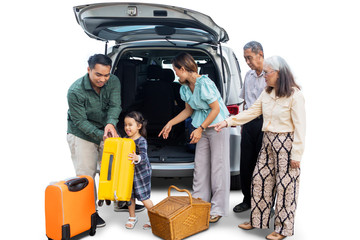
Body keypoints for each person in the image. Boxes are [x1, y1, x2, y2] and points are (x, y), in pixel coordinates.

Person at [211, 56, 305, 240]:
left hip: (286, 144)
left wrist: (297, 155)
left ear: (278, 73)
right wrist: (227, 122)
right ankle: (257, 220)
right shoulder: (267, 93)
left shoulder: (295, 95)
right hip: (268, 141)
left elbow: (301, 127)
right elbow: (252, 112)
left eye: (267, 73)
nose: (264, 77)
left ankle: (282, 229)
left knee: (286, 188)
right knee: (259, 180)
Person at [159, 52, 230, 223]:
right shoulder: (184, 87)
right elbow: (188, 111)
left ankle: (217, 209)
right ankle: (199, 203)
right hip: (201, 128)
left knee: (218, 169)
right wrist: (170, 123)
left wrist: (200, 128)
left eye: (176, 71)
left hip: (217, 126)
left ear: (183, 68)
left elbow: (215, 109)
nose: (175, 74)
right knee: (200, 167)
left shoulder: (204, 83)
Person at [67, 54, 121, 227]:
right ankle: (90, 213)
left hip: (105, 127)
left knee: (115, 167)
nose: (103, 79)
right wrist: (101, 136)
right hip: (81, 132)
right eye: (98, 75)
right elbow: (80, 121)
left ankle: (120, 200)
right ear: (88, 70)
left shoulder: (113, 81)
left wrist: (111, 124)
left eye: (106, 75)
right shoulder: (75, 91)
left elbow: (115, 105)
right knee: (86, 174)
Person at [233, 41, 267, 213]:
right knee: (246, 163)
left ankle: (265, 202)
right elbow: (245, 100)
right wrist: (242, 123)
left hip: (265, 124)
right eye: (245, 58)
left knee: (264, 165)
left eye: (249, 58)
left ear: (260, 54)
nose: (247, 62)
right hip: (248, 124)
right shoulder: (249, 75)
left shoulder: (272, 74)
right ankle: (247, 199)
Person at [123, 111, 154, 230]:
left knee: (144, 197)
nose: (127, 127)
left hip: (141, 174)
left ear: (139, 126)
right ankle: (132, 217)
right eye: (125, 125)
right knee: (130, 196)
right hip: (129, 173)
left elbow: (144, 157)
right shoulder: (125, 140)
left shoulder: (141, 141)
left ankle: (154, 218)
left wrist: (137, 157)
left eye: (130, 125)